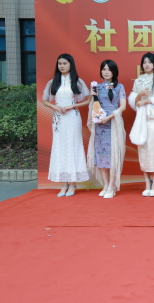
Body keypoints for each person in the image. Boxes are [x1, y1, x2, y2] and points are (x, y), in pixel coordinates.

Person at [41, 53, 91, 197]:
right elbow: (45, 100)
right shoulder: (53, 82)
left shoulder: (77, 81)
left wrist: (72, 105)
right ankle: (64, 184)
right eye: (60, 63)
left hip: (72, 117)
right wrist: (55, 107)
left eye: (64, 63)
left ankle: (73, 184)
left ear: (70, 65)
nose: (62, 66)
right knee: (60, 147)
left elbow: (88, 100)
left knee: (72, 147)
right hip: (59, 119)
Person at [128, 53, 154, 197]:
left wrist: (148, 100)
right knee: (143, 148)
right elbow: (134, 101)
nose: (147, 65)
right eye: (144, 62)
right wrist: (139, 95)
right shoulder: (138, 80)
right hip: (141, 116)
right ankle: (147, 182)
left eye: (150, 62)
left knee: (153, 147)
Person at [86, 60, 127, 199]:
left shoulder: (119, 87)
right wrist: (93, 97)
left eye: (109, 69)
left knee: (113, 155)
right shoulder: (97, 87)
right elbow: (94, 106)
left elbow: (123, 107)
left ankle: (112, 186)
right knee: (101, 155)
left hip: (113, 124)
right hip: (100, 125)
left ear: (114, 71)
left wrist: (109, 117)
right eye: (104, 69)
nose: (106, 72)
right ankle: (106, 184)